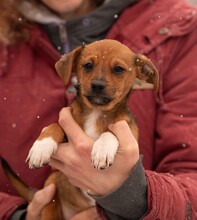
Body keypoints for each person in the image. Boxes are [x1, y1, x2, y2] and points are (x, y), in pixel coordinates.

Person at [0, 0, 197, 219]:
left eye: (118, 70)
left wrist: (131, 198)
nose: (99, 82)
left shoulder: (179, 29)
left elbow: (191, 171)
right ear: (73, 67)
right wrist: (16, 215)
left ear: (142, 74)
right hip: (57, 204)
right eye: (88, 66)